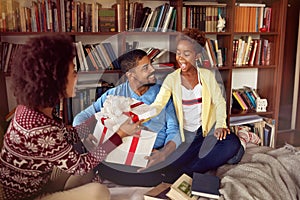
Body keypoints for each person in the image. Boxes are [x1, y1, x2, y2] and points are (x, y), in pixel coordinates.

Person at [0, 34, 141, 200]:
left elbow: (68, 135)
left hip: (39, 182)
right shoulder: (40, 129)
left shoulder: (31, 109)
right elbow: (80, 167)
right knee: (99, 191)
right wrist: (119, 135)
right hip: (25, 197)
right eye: (73, 72)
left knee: (88, 166)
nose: (77, 77)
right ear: (54, 79)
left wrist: (99, 116)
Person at [73, 49, 181, 186]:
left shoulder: (163, 93)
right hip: (122, 155)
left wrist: (163, 154)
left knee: (174, 164)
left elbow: (174, 130)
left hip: (154, 154)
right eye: (145, 68)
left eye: (151, 64)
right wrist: (84, 135)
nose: (153, 69)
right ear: (131, 75)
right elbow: (81, 117)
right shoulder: (113, 94)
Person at [151, 28, 243, 182]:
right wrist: (140, 115)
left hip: (207, 133)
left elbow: (219, 102)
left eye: (186, 54)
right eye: (179, 53)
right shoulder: (171, 79)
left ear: (197, 56)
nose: (181, 58)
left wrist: (220, 125)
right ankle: (198, 164)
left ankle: (187, 173)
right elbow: (158, 105)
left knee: (232, 143)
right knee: (168, 164)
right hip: (186, 138)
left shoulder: (206, 76)